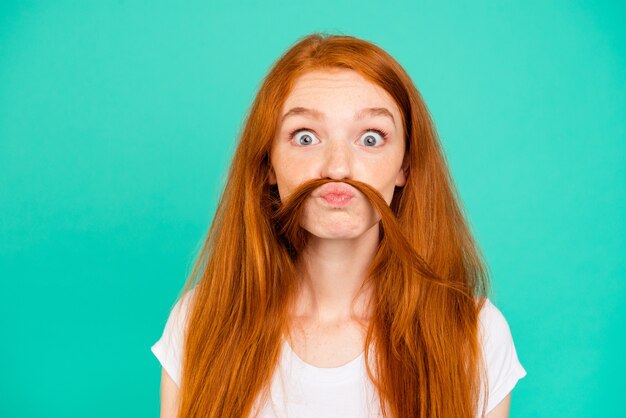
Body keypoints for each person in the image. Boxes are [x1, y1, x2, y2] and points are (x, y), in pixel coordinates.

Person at [151, 33, 526, 418]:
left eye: (370, 138)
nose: (337, 168)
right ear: (267, 164)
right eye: (306, 137)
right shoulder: (201, 321)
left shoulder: (475, 334)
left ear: (405, 166)